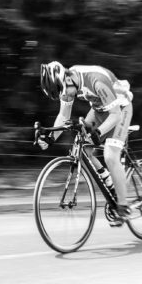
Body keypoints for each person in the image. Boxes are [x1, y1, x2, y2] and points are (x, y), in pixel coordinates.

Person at [37, 61, 134, 223]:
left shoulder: (96, 81)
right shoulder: (68, 84)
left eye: (64, 91)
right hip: (100, 109)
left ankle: (123, 207)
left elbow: (115, 114)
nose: (65, 95)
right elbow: (63, 115)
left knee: (110, 155)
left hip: (121, 109)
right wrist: (50, 138)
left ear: (68, 80)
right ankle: (110, 182)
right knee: (81, 150)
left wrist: (99, 132)